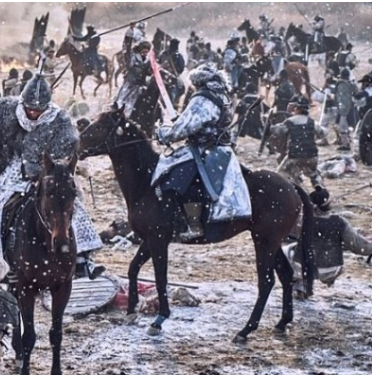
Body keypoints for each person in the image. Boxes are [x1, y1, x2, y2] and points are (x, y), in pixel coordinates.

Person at [0, 73, 105, 278]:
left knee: (70, 203)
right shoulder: (6, 111)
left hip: (47, 169)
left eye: (38, 110)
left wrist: (44, 165)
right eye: (30, 108)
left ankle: (82, 258)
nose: (33, 112)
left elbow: (64, 150)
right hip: (14, 168)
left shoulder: (59, 120)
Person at [154, 63, 252, 240]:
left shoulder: (203, 98)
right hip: (218, 149)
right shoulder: (221, 95)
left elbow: (185, 127)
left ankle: (194, 225)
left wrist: (164, 133)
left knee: (179, 181)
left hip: (204, 150)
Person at [285, 185, 372, 296]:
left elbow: (288, 233)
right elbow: (359, 247)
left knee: (288, 249)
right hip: (330, 269)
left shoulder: (303, 221)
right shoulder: (340, 222)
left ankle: (300, 285)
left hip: (303, 269)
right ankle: (329, 279)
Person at [269, 95, 327, 187]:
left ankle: (295, 185)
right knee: (312, 172)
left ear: (297, 108)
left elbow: (278, 130)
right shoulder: (312, 122)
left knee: (282, 172)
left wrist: (270, 125)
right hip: (311, 155)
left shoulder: (290, 122)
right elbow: (323, 133)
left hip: (295, 155)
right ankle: (317, 183)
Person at [115, 41, 152, 119]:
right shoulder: (134, 55)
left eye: (147, 52)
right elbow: (130, 66)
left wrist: (149, 70)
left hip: (140, 82)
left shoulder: (148, 58)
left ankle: (130, 113)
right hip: (131, 80)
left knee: (135, 99)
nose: (145, 53)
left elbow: (148, 70)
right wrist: (137, 69)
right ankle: (118, 108)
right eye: (144, 51)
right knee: (123, 96)